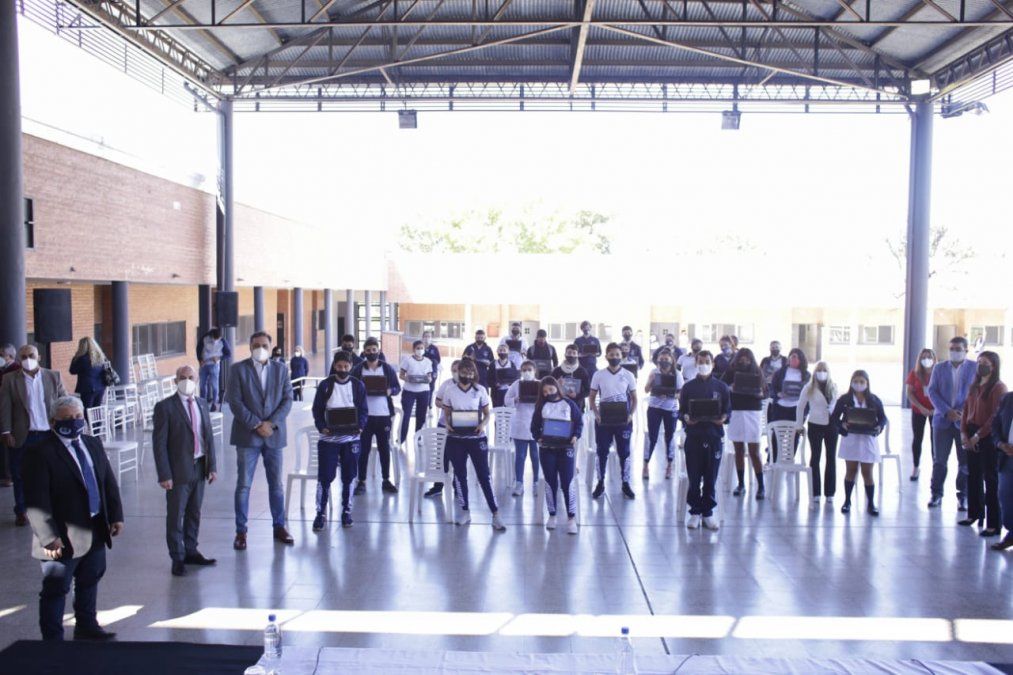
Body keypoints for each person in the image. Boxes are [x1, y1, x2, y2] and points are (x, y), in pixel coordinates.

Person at [23, 396, 124, 641]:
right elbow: (36, 499)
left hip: (95, 527)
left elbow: (107, 482)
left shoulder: (92, 443)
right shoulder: (40, 452)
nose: (74, 421)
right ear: (53, 422)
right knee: (56, 588)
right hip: (58, 535)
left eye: (78, 417)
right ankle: (53, 640)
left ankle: (87, 626)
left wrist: (116, 515)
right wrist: (48, 536)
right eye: (67, 418)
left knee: (90, 579)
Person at [227, 331, 295, 550]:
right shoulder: (238, 370)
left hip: (274, 435)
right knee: (243, 485)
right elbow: (235, 402)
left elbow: (287, 399)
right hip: (247, 436)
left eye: (264, 345)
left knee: (276, 485)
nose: (260, 348)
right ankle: (241, 532)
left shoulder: (281, 370)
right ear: (249, 347)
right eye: (256, 345)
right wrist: (257, 424)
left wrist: (271, 424)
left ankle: (279, 526)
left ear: (270, 346)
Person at [152, 366, 217, 577]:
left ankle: (191, 550)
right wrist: (164, 474)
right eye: (182, 377)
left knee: (194, 512)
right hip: (178, 470)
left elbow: (208, 437)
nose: (186, 381)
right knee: (176, 515)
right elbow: (159, 444)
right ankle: (177, 557)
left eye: (190, 377)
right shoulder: (165, 407)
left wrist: (212, 466)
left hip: (200, 466)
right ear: (175, 381)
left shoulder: (202, 403)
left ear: (196, 380)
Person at [1, 345, 67, 526]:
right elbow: (5, 406)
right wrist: (5, 431)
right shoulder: (9, 379)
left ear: (39, 357)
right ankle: (21, 511)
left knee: (52, 473)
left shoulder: (53, 376)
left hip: (49, 434)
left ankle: (50, 508)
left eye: (31, 355)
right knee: (19, 474)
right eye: (23, 357)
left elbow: (64, 401)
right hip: (23, 435)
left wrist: (67, 426)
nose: (27, 359)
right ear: (18, 359)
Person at [441, 359, 506, 531]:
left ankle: (495, 513)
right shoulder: (450, 390)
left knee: (484, 476)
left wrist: (482, 425)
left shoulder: (480, 390)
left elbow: (487, 414)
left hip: (476, 438)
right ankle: (465, 511)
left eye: (470, 373)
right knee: (460, 475)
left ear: (474, 374)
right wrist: (448, 425)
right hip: (456, 439)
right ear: (458, 372)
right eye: (464, 372)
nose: (467, 375)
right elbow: (447, 414)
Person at [312, 351, 368, 529]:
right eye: (339, 366)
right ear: (334, 366)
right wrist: (322, 427)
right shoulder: (325, 385)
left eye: (346, 366)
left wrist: (360, 426)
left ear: (351, 366)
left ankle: (346, 511)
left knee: (349, 477)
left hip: (351, 439)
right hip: (328, 440)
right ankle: (320, 513)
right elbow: (317, 409)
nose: (342, 369)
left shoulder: (358, 385)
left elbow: (364, 410)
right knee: (325, 477)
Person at [679, 350, 731, 530]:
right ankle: (695, 512)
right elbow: (681, 411)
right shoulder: (688, 387)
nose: (704, 364)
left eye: (707, 361)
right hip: (694, 436)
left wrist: (723, 418)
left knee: (710, 476)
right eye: (700, 361)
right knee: (694, 476)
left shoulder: (721, 387)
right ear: (696, 363)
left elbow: (727, 410)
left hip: (714, 436)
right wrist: (686, 418)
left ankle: (707, 513)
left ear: (713, 364)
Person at [927, 336, 978, 510]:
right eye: (951, 349)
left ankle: (963, 496)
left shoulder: (974, 368)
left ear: (966, 350)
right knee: (939, 461)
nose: (954, 352)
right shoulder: (939, 368)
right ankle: (936, 494)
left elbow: (976, 394)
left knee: (964, 462)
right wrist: (946, 411)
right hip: (942, 421)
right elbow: (932, 391)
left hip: (965, 422)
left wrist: (962, 413)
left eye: (958, 349)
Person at [959, 351, 1006, 535]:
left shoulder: (998, 388)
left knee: (990, 478)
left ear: (993, 366)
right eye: (979, 362)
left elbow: (995, 416)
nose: (980, 366)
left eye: (985, 363)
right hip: (971, 431)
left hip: (987, 436)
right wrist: (964, 433)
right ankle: (974, 513)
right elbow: (965, 409)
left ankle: (993, 523)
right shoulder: (975, 385)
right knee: (973, 475)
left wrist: (978, 436)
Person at [831, 370, 888, 517]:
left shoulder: (874, 400)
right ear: (851, 383)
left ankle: (871, 503)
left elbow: (883, 418)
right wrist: (842, 425)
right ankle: (847, 501)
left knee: (867, 472)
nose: (859, 384)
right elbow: (834, 418)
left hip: (868, 439)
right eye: (856, 381)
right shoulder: (844, 399)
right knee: (851, 471)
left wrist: (879, 427)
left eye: (862, 382)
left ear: (867, 383)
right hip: (851, 438)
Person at [531, 376, 583, 534]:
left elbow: (579, 423)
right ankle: (552, 515)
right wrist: (538, 438)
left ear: (557, 388)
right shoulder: (541, 406)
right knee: (550, 482)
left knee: (567, 482)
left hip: (566, 448)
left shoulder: (569, 404)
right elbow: (534, 427)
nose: (548, 393)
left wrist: (575, 436)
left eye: (551, 389)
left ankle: (571, 518)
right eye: (545, 392)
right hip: (547, 449)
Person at [351, 337, 401, 494]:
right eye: (368, 350)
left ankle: (386, 480)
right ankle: (361, 481)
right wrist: (360, 392)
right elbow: (351, 388)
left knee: (384, 448)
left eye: (374, 350)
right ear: (364, 352)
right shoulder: (358, 369)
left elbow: (397, 388)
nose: (371, 352)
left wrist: (389, 391)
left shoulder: (386, 368)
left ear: (378, 351)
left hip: (383, 415)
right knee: (363, 449)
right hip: (365, 417)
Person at [589, 343, 638, 500]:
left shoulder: (628, 375)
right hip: (604, 420)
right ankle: (600, 483)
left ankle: (625, 483)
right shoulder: (598, 375)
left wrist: (630, 415)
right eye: (611, 355)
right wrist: (596, 414)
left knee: (624, 452)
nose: (615, 357)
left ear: (621, 356)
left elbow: (635, 398)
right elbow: (591, 397)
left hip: (623, 420)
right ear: (606, 356)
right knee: (602, 451)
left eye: (617, 355)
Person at [723, 348, 766, 499]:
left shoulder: (757, 371)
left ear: (751, 359)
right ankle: (741, 484)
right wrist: (731, 387)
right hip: (736, 411)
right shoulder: (731, 371)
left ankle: (761, 486)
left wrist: (760, 393)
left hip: (753, 412)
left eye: (747, 358)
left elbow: (766, 391)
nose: (744, 361)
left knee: (754, 451)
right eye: (741, 358)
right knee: (739, 450)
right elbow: (722, 385)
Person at [797, 361, 839, 506]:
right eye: (819, 370)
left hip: (832, 425)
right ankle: (815, 492)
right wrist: (799, 425)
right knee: (815, 457)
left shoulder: (833, 386)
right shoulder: (808, 388)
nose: (822, 373)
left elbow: (836, 405)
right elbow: (800, 406)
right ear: (815, 372)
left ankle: (830, 492)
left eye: (824, 370)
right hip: (815, 424)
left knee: (831, 457)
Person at [423, 359, 462, 498]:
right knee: (441, 457)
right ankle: (438, 486)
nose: (456, 373)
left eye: (458, 370)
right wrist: (446, 406)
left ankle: (458, 487)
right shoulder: (446, 384)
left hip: (460, 426)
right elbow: (437, 401)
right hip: (444, 424)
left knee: (458, 458)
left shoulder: (469, 386)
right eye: (453, 370)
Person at [643, 348, 683, 480]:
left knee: (669, 437)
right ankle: (645, 465)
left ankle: (669, 465)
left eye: (666, 359)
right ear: (658, 360)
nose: (664, 361)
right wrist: (651, 380)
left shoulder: (677, 374)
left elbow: (681, 393)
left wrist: (670, 395)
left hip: (671, 409)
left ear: (671, 360)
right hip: (654, 408)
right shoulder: (654, 372)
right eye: (661, 359)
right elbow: (646, 389)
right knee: (652, 437)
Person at [768, 348, 810, 461]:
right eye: (792, 356)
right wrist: (778, 394)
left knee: (795, 436)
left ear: (801, 360)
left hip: (797, 409)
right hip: (781, 407)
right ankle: (772, 460)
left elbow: (809, 393)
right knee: (777, 435)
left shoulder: (806, 375)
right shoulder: (780, 372)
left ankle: (789, 460)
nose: (794, 359)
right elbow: (772, 388)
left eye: (797, 357)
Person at [505, 361, 540, 496]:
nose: (527, 372)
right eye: (524, 370)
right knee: (520, 456)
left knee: (536, 456)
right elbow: (506, 399)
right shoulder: (516, 384)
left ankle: (536, 483)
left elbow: (547, 399)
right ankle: (519, 483)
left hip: (536, 425)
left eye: (529, 369)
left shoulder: (540, 384)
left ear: (534, 370)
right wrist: (516, 399)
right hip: (520, 424)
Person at [905, 349, 936, 481]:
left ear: (934, 358)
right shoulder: (915, 373)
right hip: (919, 410)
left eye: (929, 357)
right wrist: (921, 407)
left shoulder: (938, 373)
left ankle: (936, 468)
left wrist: (937, 409)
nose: (926, 359)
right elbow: (909, 393)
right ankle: (916, 467)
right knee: (917, 438)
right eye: (923, 357)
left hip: (936, 411)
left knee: (935, 439)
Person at [989, 389, 1013, 551]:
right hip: (1007, 457)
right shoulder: (1008, 399)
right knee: (1005, 497)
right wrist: (1000, 444)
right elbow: (995, 425)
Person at [398, 340, 433, 446]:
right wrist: (409, 379)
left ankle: (418, 437)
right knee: (405, 415)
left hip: (424, 391)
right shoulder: (407, 360)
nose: (420, 350)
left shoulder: (428, 361)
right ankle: (401, 438)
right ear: (413, 349)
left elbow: (429, 377)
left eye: (422, 348)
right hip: (409, 391)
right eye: (418, 348)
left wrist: (428, 380)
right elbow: (401, 375)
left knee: (421, 416)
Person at [69, 337, 109, 411]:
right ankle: (97, 419)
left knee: (86, 410)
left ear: (81, 346)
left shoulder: (81, 359)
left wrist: (75, 358)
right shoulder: (101, 356)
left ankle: (89, 419)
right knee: (96, 410)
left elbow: (72, 371)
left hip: (87, 388)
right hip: (101, 386)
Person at [197, 327, 231, 412]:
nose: (215, 340)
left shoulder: (223, 341)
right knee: (202, 385)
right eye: (214, 338)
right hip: (204, 364)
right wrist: (200, 360)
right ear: (211, 336)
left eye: (217, 339)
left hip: (214, 365)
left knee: (214, 385)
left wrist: (219, 358)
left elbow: (228, 354)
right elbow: (198, 348)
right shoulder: (205, 338)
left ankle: (214, 403)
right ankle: (203, 403)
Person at [552, 345, 591, 413]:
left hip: (577, 406)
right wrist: (557, 384)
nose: (571, 355)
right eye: (569, 352)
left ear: (577, 355)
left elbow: (588, 391)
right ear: (565, 354)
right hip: (559, 406)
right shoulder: (557, 371)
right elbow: (549, 387)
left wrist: (577, 395)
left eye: (574, 353)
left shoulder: (582, 371)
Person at [0, 343, 16, 487]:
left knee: (8, 446)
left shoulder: (15, 370)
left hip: (10, 414)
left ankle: (9, 475)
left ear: (10, 356)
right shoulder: (3, 369)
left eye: (2, 355)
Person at [489, 344, 518, 409]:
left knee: (508, 410)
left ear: (508, 352)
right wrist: (494, 384)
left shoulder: (512, 364)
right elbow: (488, 379)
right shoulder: (493, 364)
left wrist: (510, 383)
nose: (502, 352)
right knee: (497, 410)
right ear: (497, 351)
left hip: (509, 391)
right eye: (500, 350)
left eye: (504, 350)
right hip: (496, 392)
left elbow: (515, 377)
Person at [421, 330, 441, 410]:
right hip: (421, 371)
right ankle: (423, 403)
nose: (427, 338)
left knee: (431, 388)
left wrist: (431, 361)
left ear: (431, 338)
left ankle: (429, 405)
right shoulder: (420, 347)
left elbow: (438, 360)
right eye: (425, 336)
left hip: (432, 371)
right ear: (422, 337)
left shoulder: (434, 348)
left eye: (429, 336)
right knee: (422, 388)